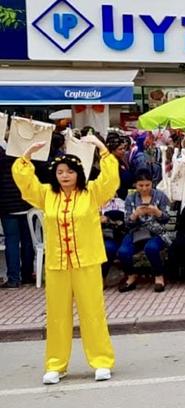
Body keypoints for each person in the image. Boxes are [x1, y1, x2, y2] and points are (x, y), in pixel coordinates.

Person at [13, 136, 118, 384]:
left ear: (78, 173)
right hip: (58, 264)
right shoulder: (46, 194)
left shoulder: (91, 193)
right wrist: (27, 154)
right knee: (57, 316)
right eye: (60, 171)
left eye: (70, 171)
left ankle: (101, 361)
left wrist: (102, 149)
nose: (65, 175)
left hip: (87, 261)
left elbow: (111, 180)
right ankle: (55, 365)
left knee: (92, 313)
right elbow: (25, 183)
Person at [117, 170, 172, 293]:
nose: (144, 188)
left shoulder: (160, 196)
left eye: (147, 185)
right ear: (135, 185)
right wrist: (135, 214)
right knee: (123, 251)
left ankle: (159, 276)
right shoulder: (130, 198)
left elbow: (167, 218)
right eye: (140, 185)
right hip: (136, 232)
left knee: (151, 248)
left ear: (152, 184)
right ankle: (131, 276)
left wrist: (157, 212)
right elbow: (127, 222)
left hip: (157, 232)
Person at [0, 146, 36, 288]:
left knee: (12, 241)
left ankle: (14, 278)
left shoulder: (2, 155)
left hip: (6, 205)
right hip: (26, 203)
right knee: (28, 241)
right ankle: (27, 275)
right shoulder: (24, 151)